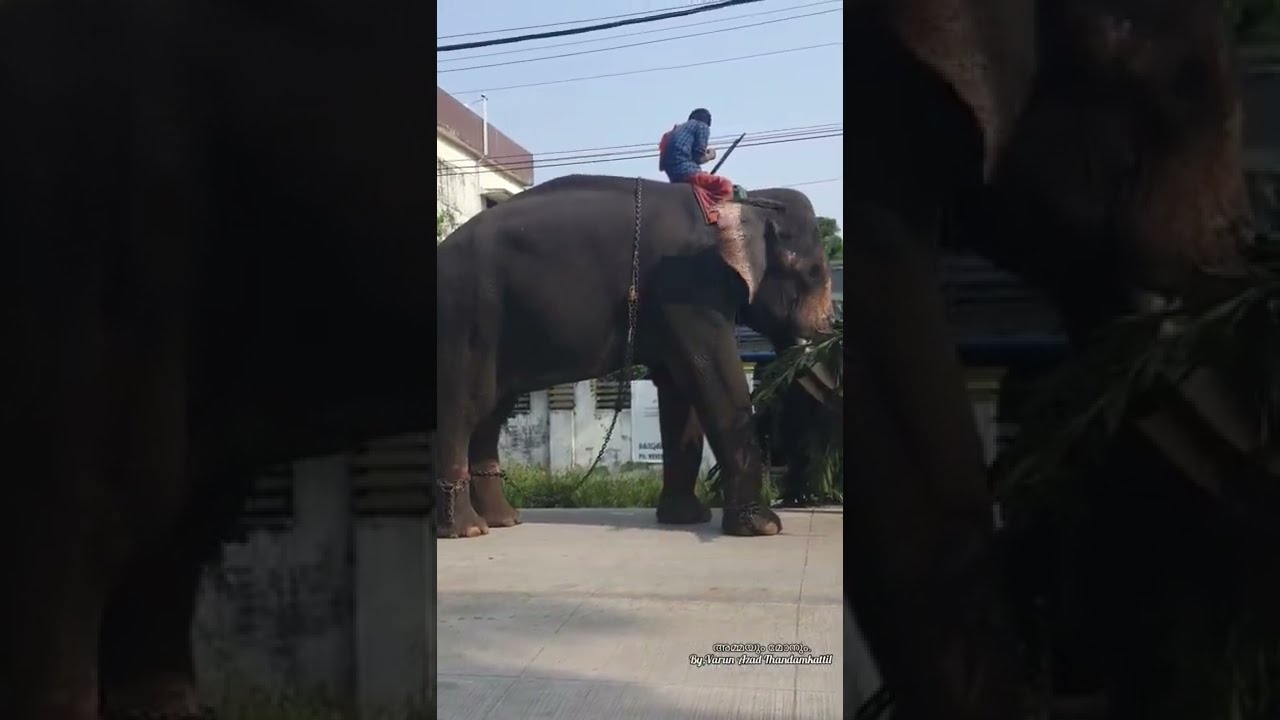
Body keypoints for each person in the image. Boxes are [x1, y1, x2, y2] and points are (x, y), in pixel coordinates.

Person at [658, 108, 738, 204]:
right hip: (688, 173)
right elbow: (698, 158)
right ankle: (715, 211)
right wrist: (710, 155)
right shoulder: (701, 126)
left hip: (673, 177)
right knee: (725, 185)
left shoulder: (670, 133)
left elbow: (661, 166)